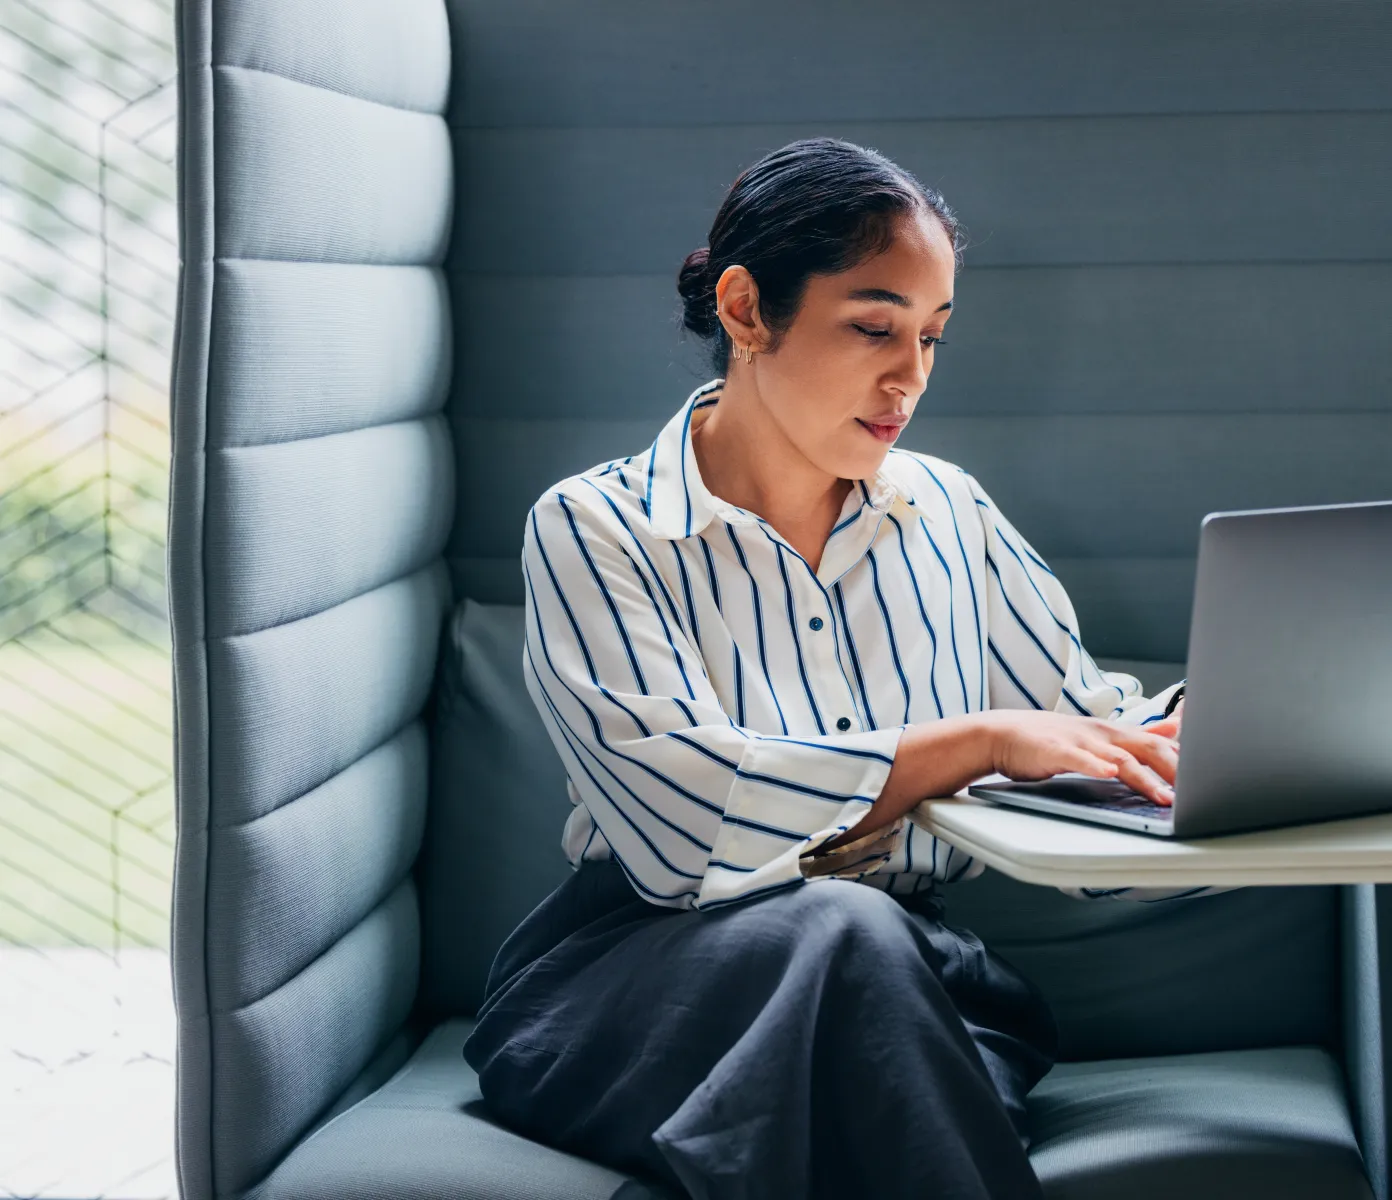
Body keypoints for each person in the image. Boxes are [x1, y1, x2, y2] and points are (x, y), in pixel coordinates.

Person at [462, 136, 1218, 1200]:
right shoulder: (597, 529)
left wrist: (1206, 736)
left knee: (859, 970)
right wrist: (979, 742)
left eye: (932, 337)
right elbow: (687, 832)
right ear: (744, 309)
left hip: (912, 986)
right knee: (843, 940)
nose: (908, 377)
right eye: (872, 327)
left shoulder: (950, 512)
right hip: (641, 985)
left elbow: (1081, 736)